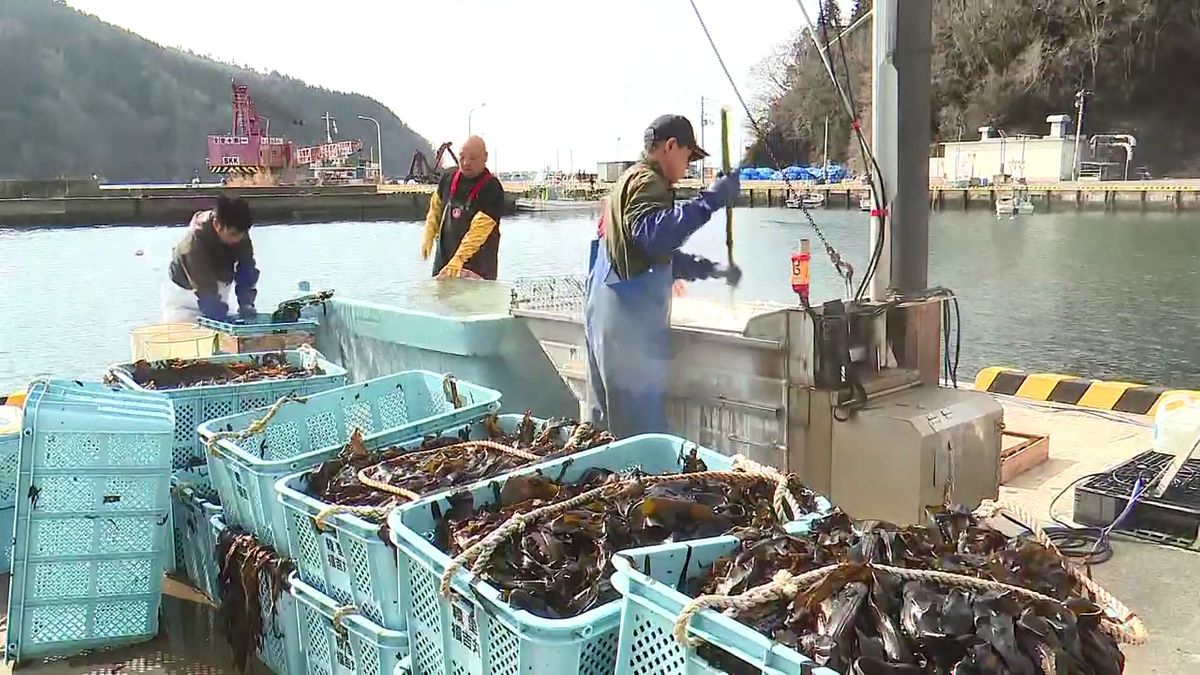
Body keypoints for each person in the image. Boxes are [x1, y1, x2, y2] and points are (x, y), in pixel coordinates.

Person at [584, 114, 740, 437]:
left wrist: (708, 269)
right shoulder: (648, 182)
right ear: (670, 147)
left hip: (604, 314)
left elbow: (648, 255)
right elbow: (656, 236)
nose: (687, 169)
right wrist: (711, 201)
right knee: (637, 439)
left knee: (605, 432)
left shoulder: (628, 182)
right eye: (688, 157)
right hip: (627, 328)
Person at [162, 194, 259, 322]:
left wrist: (246, 304)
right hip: (184, 297)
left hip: (217, 288)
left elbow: (247, 269)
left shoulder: (238, 231)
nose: (238, 239)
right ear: (218, 225)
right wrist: (220, 318)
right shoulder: (192, 246)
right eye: (233, 234)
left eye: (242, 234)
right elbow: (206, 291)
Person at [420, 135, 505, 280]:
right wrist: (428, 235)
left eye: (473, 158)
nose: (466, 163)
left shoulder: (492, 187)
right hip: (444, 260)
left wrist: (459, 259)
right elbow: (435, 209)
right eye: (462, 157)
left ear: (485, 157)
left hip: (478, 266)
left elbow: (480, 230)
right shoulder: (447, 177)